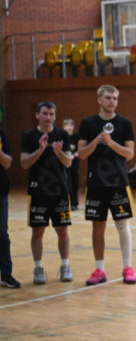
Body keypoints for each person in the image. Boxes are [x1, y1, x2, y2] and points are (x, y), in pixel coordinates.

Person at [78, 84, 136, 286]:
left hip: (119, 183)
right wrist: (97, 140)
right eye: (108, 97)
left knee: (123, 226)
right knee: (98, 228)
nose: (112, 101)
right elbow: (82, 153)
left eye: (115, 98)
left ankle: (128, 268)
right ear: (99, 100)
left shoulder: (124, 123)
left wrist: (111, 143)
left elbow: (130, 154)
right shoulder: (88, 123)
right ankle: (99, 270)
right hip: (95, 184)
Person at [20, 101, 73, 285]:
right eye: (44, 113)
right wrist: (40, 150)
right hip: (38, 190)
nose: (48, 117)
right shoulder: (29, 135)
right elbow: (24, 163)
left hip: (59, 190)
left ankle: (65, 266)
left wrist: (58, 153)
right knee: (38, 231)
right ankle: (38, 268)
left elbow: (68, 163)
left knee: (62, 229)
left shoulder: (62, 134)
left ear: (55, 116)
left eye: (51, 113)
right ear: (37, 115)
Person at [0, 124, 17, 288]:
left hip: (1, 192)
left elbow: (8, 163)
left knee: (2, 235)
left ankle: (5, 273)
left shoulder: (1, 133)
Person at [62, 118, 80, 210]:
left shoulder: (76, 137)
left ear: (73, 127)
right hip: (65, 165)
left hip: (75, 164)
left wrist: (75, 155)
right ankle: (71, 203)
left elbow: (80, 150)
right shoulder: (62, 138)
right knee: (67, 183)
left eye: (70, 125)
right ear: (63, 127)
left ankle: (75, 202)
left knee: (75, 183)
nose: (68, 127)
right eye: (66, 125)